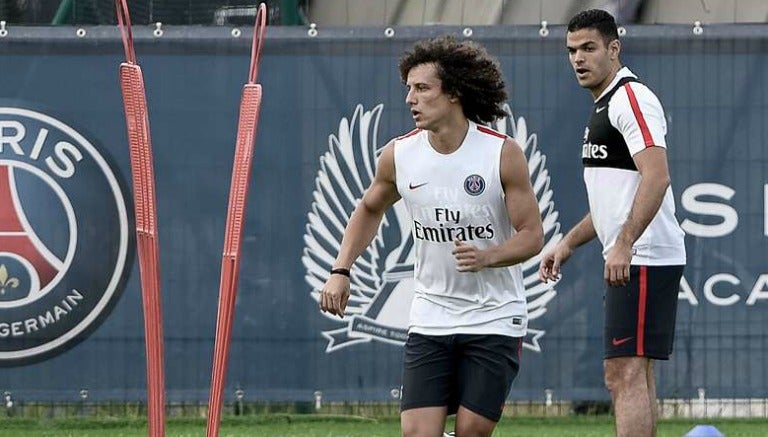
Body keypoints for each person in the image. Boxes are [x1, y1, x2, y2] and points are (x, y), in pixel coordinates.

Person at [320, 35, 544, 437]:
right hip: (431, 314)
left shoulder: (501, 153)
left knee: (472, 430)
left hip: (494, 315)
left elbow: (532, 236)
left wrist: (488, 256)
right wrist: (341, 269)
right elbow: (369, 208)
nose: (411, 99)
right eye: (408, 89)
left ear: (454, 93)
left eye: (422, 88)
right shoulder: (399, 154)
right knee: (417, 433)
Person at [539, 9, 686, 437]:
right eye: (571, 51)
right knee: (634, 374)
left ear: (613, 48)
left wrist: (624, 244)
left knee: (621, 374)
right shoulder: (605, 103)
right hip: (636, 255)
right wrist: (567, 244)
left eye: (589, 48)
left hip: (643, 257)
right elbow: (613, 201)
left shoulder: (630, 98)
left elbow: (656, 176)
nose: (578, 59)